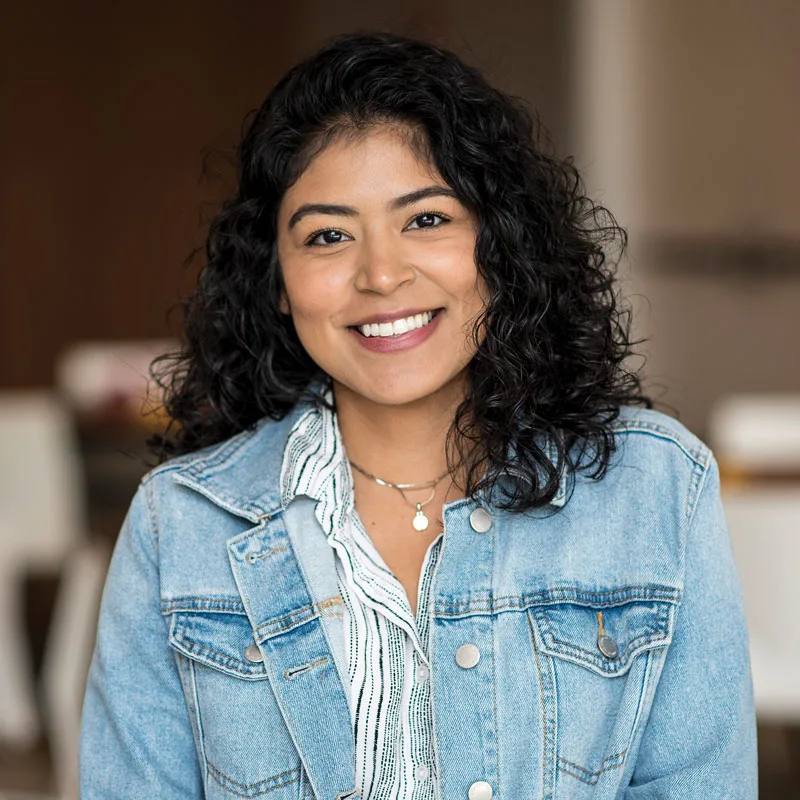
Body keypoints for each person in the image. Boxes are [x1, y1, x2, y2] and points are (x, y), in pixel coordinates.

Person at [79, 32, 757, 800]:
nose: (381, 274)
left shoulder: (657, 490)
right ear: (277, 280)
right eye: (328, 236)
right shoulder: (181, 526)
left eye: (426, 219)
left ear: (497, 245)